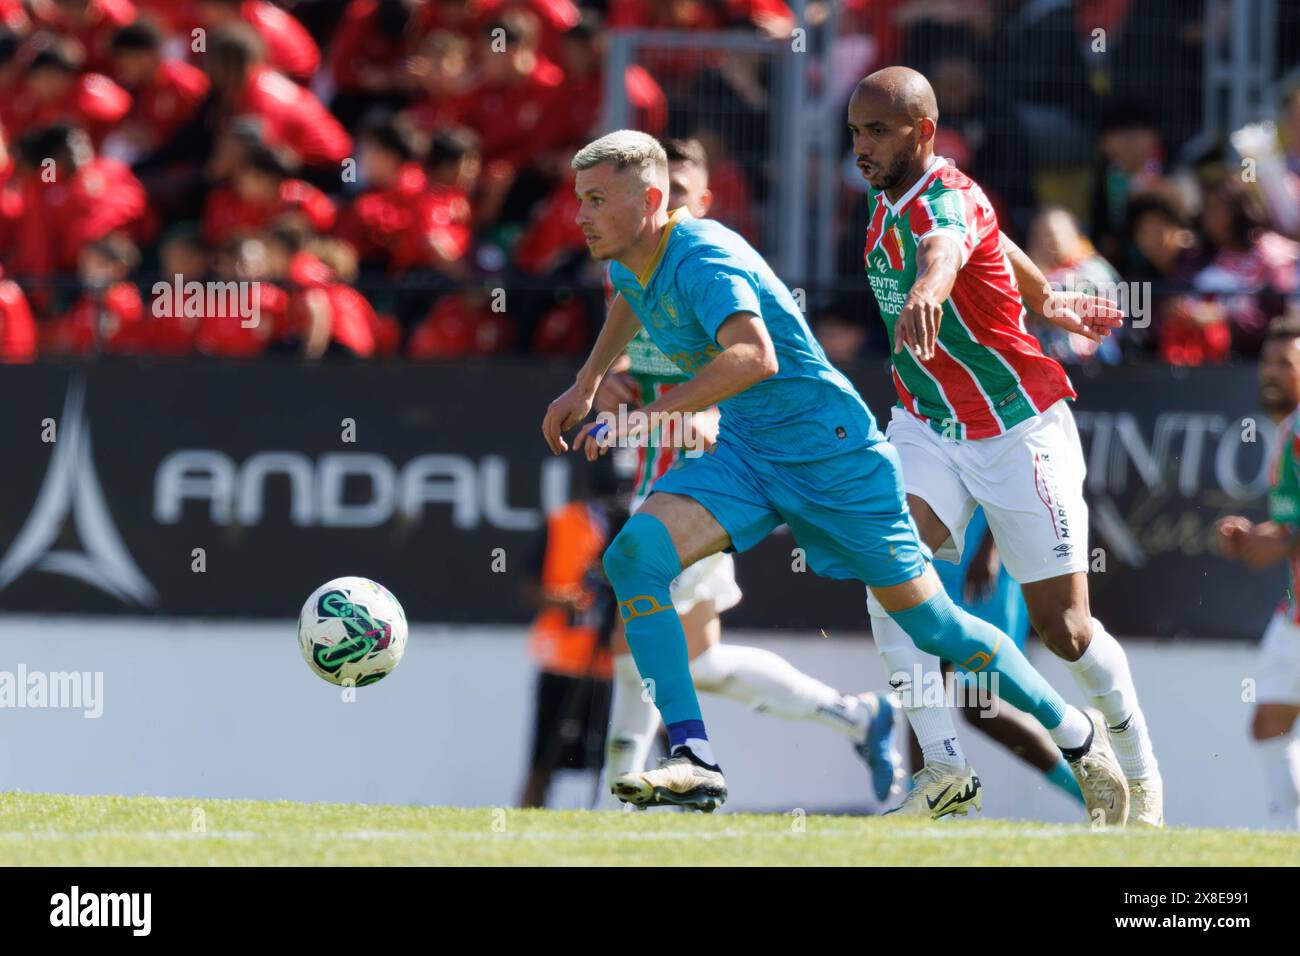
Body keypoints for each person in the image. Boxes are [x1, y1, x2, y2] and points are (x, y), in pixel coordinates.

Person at [542, 129, 1125, 823]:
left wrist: (647, 416)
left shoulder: (704, 257)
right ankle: (694, 760)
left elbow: (754, 357)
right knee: (633, 557)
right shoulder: (628, 256)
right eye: (580, 198)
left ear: (651, 200)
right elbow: (631, 296)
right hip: (750, 450)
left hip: (832, 452)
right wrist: (587, 380)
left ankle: (1077, 733)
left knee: (936, 626)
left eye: (597, 200)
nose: (581, 214)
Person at [849, 66, 1162, 825]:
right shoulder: (887, 189)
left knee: (1067, 630)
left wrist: (929, 289)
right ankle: (945, 774)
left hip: (1016, 427)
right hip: (928, 422)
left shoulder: (944, 199)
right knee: (887, 565)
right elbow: (997, 235)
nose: (862, 146)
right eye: (856, 131)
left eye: (878, 131)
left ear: (923, 132)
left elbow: (950, 245)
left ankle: (1141, 772)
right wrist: (1047, 295)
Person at [595, 137, 902, 809]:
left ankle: (617, 803)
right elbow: (641, 363)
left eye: (678, 195)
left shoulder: (708, 270)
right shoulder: (637, 279)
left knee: (631, 643)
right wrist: (610, 385)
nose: (664, 207)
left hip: (711, 482)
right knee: (694, 660)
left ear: (699, 204)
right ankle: (856, 716)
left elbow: (733, 379)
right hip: (660, 487)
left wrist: (681, 418)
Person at [1215, 316, 1300, 829]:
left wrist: (1272, 540)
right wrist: (1261, 537)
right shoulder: (1288, 430)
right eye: (1266, 361)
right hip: (1294, 612)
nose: (1269, 372)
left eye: (1285, 364)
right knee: (1269, 722)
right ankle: (1286, 839)